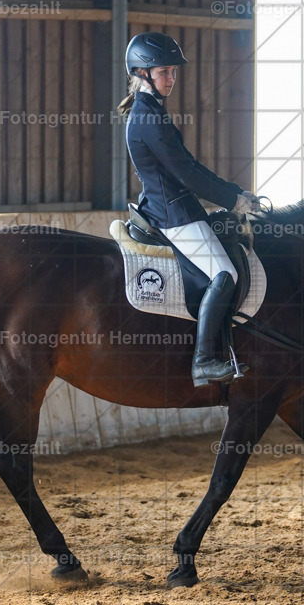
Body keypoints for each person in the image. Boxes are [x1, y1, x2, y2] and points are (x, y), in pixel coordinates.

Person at [118, 32, 260, 387]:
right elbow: (185, 172)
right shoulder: (148, 116)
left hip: (175, 206)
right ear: (142, 73)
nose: (171, 79)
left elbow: (188, 166)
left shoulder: (150, 109)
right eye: (164, 72)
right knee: (224, 274)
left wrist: (232, 192)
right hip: (174, 214)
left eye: (173, 72)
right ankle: (205, 360)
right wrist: (234, 200)